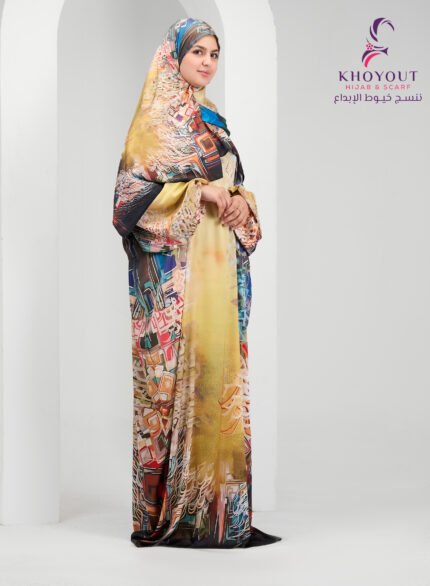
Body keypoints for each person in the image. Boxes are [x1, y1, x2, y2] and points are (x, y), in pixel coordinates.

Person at [112, 16, 282, 548]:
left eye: (214, 54)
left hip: (219, 270)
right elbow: (127, 203)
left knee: (219, 379)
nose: (208, 62)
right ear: (175, 57)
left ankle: (219, 514)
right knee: (167, 391)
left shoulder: (214, 122)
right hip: (177, 280)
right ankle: (167, 515)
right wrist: (198, 193)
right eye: (198, 52)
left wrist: (241, 203)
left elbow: (233, 184)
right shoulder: (153, 126)